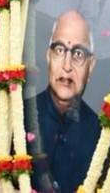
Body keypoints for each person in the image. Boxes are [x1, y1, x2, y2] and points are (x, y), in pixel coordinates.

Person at [24, 10, 100, 193]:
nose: (67, 66)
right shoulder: (21, 117)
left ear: (91, 66)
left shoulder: (100, 134)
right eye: (59, 50)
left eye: (79, 54)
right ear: (48, 57)